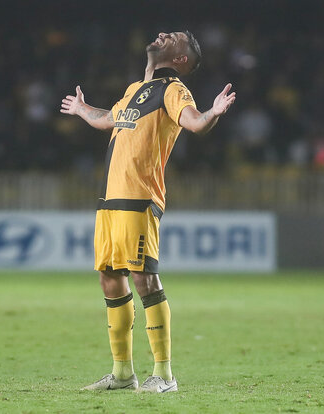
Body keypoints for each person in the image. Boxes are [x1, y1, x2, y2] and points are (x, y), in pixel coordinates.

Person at [60, 31, 235, 392]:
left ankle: (164, 375)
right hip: (110, 198)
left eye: (174, 37)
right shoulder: (134, 90)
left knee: (144, 278)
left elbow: (195, 122)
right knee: (110, 277)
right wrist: (81, 109)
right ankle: (123, 374)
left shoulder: (173, 89)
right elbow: (108, 119)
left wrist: (213, 113)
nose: (163, 34)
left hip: (139, 197)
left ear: (181, 58)